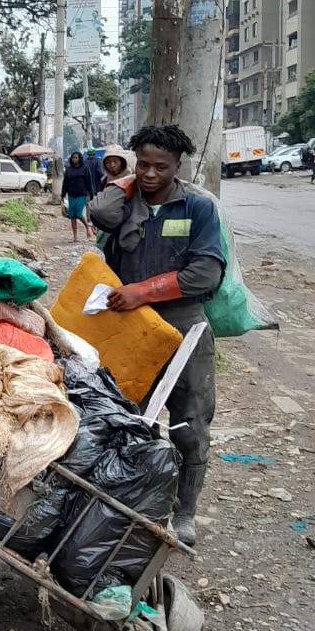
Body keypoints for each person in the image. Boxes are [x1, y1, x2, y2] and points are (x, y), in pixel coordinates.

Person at [89, 125, 225, 546]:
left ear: (177, 167)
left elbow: (205, 273)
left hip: (183, 326)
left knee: (190, 424)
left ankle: (184, 512)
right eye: (143, 165)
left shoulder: (198, 209)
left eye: (159, 167)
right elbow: (99, 214)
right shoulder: (125, 202)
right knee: (127, 419)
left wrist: (142, 291)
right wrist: (124, 182)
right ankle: (130, 506)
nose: (150, 174)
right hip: (131, 330)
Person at [61, 151, 95, 241]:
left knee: (79, 213)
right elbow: (65, 183)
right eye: (73, 158)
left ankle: (87, 227)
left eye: (76, 157)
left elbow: (89, 182)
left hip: (81, 194)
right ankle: (75, 237)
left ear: (80, 158)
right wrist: (63, 195)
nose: (74, 159)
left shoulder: (85, 168)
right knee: (72, 215)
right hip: (71, 194)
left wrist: (92, 195)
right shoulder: (68, 169)